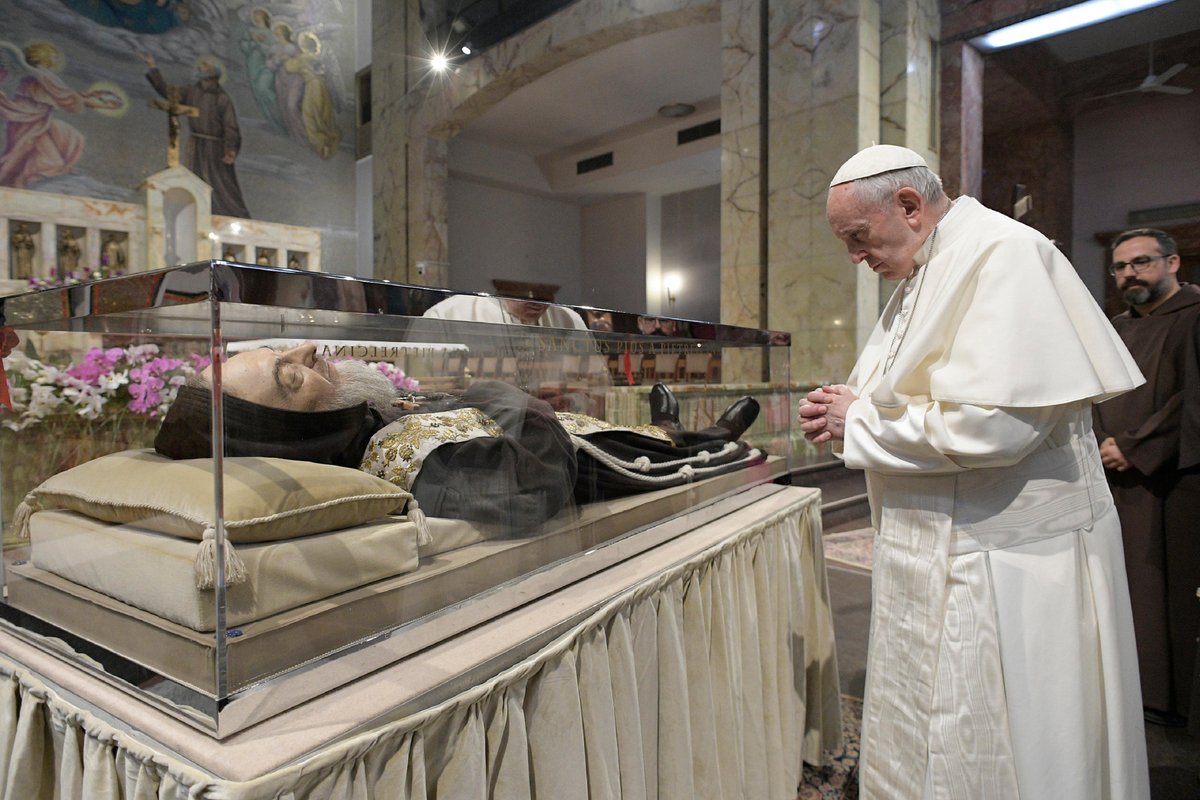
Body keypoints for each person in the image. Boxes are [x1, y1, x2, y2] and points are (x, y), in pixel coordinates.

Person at [796, 145, 1149, 799]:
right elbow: (913, 393)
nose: (854, 257)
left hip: (1015, 554)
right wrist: (849, 407)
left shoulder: (1003, 254)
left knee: (1014, 733)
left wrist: (861, 423)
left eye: (857, 238)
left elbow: (998, 425)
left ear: (908, 206)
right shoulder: (920, 275)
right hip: (945, 539)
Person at [154, 342, 762, 530]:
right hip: (598, 462)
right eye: (291, 374)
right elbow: (537, 488)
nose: (310, 350)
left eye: (279, 352)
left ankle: (671, 428)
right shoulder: (399, 463)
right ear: (295, 432)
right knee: (653, 448)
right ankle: (700, 437)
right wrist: (503, 397)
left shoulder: (375, 421)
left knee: (636, 430)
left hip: (579, 433)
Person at [1093, 227, 1200, 728]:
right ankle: (1126, 690)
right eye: (1120, 267)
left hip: (1171, 478)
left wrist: (1135, 447)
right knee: (1120, 587)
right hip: (1113, 478)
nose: (1129, 275)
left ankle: (1167, 699)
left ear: (1173, 263)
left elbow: (1192, 403)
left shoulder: (1195, 319)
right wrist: (1099, 444)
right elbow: (1091, 393)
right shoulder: (1113, 328)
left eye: (1141, 262)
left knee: (1166, 587)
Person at [142, 52, 252, 219]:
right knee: (197, 180)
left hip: (216, 148)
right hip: (197, 144)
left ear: (212, 74)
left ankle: (235, 215)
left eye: (204, 67)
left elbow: (231, 126)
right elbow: (168, 92)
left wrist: (230, 150)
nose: (200, 68)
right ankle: (200, 211)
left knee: (222, 184)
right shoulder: (191, 92)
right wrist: (153, 67)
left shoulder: (222, 98)